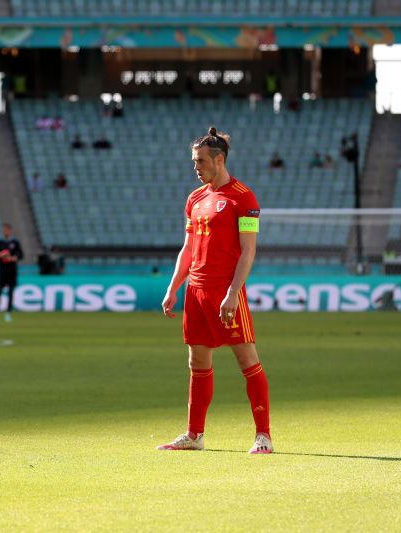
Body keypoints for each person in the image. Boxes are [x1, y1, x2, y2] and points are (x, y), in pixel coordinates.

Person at [158, 126, 271, 455]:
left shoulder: (243, 198)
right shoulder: (194, 198)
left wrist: (234, 291)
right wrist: (173, 287)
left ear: (219, 159)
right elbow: (188, 247)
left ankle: (263, 436)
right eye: (195, 161)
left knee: (247, 360)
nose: (196, 167)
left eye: (201, 161)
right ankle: (195, 435)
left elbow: (248, 251)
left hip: (226, 291)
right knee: (197, 362)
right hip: (196, 292)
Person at [0, 223, 24, 322]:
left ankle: (8, 313)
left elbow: (21, 255)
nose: (5, 231)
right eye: (4, 230)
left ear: (10, 231)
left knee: (11, 291)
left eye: (7, 230)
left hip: (12, 270)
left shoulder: (15, 243)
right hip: (2, 270)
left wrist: (13, 258)